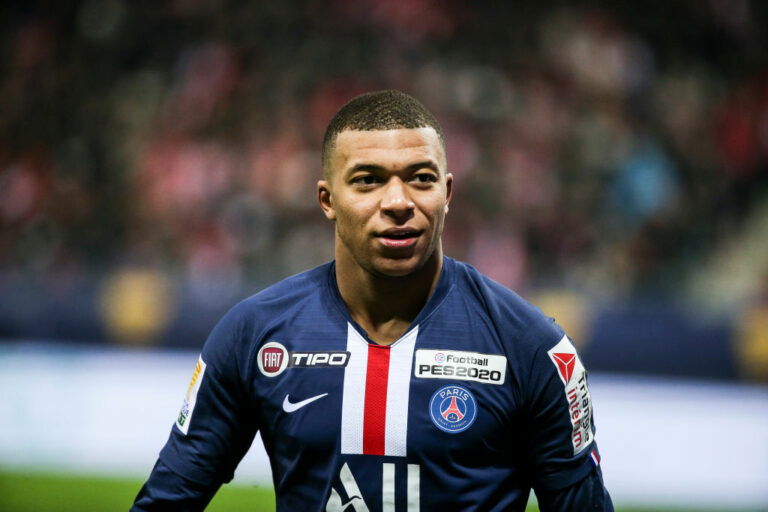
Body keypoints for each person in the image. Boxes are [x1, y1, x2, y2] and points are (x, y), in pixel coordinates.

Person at [132, 90, 613, 511]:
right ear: (327, 199)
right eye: (368, 180)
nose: (398, 201)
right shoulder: (253, 335)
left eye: (421, 178)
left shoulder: (532, 347)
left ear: (447, 193)